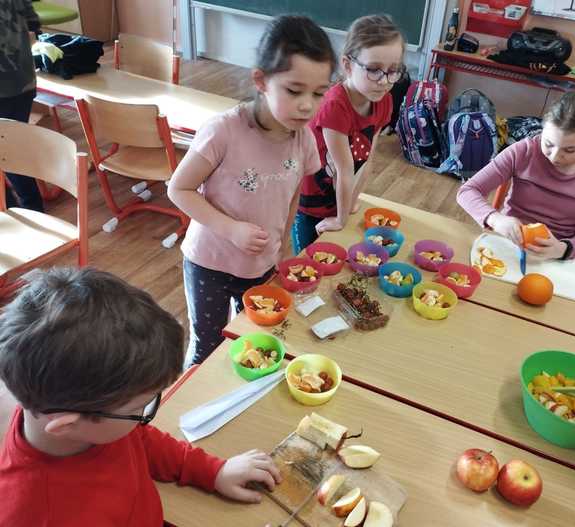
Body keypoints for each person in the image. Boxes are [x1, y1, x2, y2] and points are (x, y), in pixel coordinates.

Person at [0, 267, 282, 526]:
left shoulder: (90, 417)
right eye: (139, 409)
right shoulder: (39, 514)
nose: (142, 419)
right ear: (67, 425)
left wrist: (214, 472)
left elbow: (142, 441)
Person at [167, 15, 335, 365]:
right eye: (294, 90)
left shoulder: (304, 138)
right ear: (261, 81)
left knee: (252, 343)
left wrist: (283, 247)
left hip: (262, 264)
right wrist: (231, 229)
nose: (308, 104)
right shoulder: (223, 130)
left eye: (319, 93)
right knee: (207, 346)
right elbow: (179, 189)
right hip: (209, 264)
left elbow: (292, 195)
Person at [457, 90, 575, 260]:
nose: (554, 157)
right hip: (509, 244)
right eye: (548, 143)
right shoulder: (523, 151)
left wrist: (561, 249)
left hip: (557, 255)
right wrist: (495, 219)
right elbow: (467, 191)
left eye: (570, 150)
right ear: (543, 126)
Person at [292, 14, 405, 254]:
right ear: (347, 65)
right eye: (373, 70)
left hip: (339, 195)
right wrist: (341, 219)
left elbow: (367, 160)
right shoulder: (335, 106)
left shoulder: (383, 101)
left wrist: (349, 205)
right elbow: (345, 169)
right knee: (307, 257)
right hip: (308, 202)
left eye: (393, 71)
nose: (384, 81)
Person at [0, 0, 45, 212]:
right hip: (22, 80)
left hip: (9, 87)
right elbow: (33, 21)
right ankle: (24, 206)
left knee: (9, 151)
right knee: (12, 149)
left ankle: (26, 209)